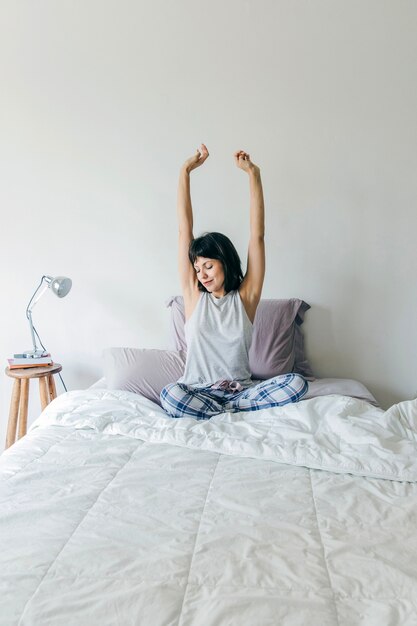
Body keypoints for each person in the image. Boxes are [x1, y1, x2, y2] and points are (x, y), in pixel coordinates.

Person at [160, 144, 308, 419]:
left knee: (297, 383)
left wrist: (253, 174)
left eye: (208, 265)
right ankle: (227, 412)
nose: (202, 274)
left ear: (224, 263)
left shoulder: (245, 298)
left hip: (240, 392)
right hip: (196, 391)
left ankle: (224, 410)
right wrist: (185, 171)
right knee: (169, 394)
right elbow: (184, 230)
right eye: (197, 267)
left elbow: (257, 237)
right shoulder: (194, 297)